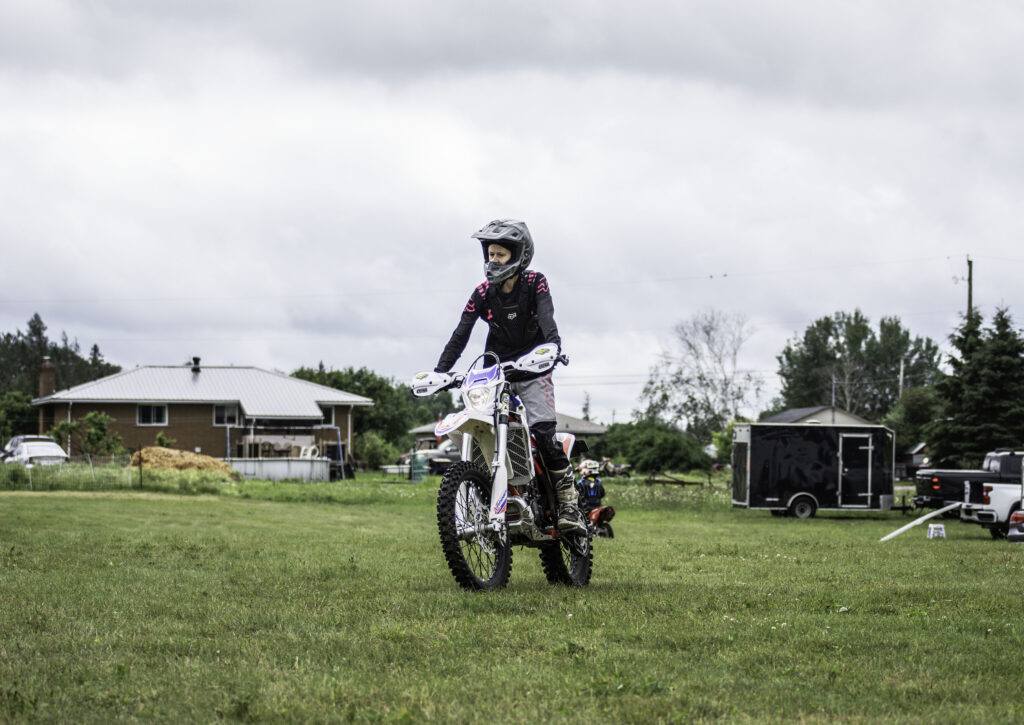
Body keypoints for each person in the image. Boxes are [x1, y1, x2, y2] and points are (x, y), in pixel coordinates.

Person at [434, 219, 584, 532]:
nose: (493, 261)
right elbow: (461, 333)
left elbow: (547, 317)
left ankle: (568, 502)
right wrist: (440, 372)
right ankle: (489, 494)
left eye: (500, 255)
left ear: (518, 255)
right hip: (495, 371)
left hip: (534, 366)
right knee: (478, 426)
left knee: (544, 434)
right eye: (490, 254)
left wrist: (553, 347)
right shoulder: (482, 293)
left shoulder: (535, 282)